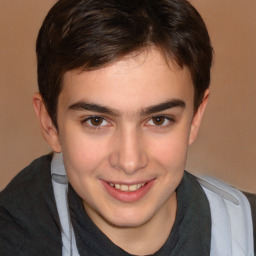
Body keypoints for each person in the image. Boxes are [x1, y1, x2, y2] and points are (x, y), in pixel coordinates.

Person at [0, 0, 255, 255]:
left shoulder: (246, 230)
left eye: (158, 120)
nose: (130, 162)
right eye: (96, 121)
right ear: (50, 124)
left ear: (195, 118)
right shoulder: (13, 236)